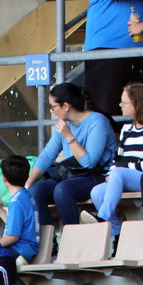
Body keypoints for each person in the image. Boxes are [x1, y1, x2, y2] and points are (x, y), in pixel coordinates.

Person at [25, 82, 115, 227]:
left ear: (66, 106)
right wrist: (28, 183)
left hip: (96, 175)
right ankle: (50, 241)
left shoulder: (97, 121)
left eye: (53, 106)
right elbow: (47, 155)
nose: (51, 110)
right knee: (36, 191)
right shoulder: (64, 123)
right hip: (70, 175)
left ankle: (72, 239)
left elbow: (90, 162)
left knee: (63, 190)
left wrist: (69, 136)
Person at [90, 82, 143, 240]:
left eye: (124, 102)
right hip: (123, 176)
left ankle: (102, 218)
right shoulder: (126, 128)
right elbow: (117, 159)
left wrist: (125, 169)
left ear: (137, 104)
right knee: (96, 192)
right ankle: (116, 231)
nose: (120, 105)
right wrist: (111, 174)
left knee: (118, 173)